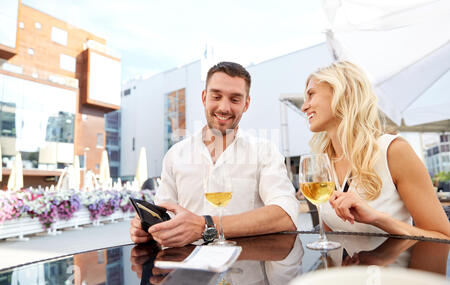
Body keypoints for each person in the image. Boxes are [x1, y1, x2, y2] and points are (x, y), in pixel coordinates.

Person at [130, 61, 298, 247]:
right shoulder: (175, 155)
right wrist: (148, 229)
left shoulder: (264, 151)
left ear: (246, 104)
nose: (224, 107)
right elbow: (163, 215)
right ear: (204, 97)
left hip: (245, 268)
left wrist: (205, 226)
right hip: (187, 269)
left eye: (235, 99)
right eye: (216, 96)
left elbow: (286, 214)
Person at [300, 60, 450, 240]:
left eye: (311, 94)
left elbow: (443, 237)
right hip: (347, 269)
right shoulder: (324, 162)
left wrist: (378, 219)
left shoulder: (393, 151)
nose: (304, 106)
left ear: (343, 94)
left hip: (395, 267)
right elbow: (332, 239)